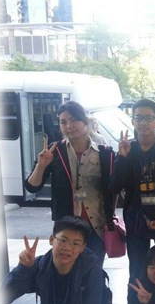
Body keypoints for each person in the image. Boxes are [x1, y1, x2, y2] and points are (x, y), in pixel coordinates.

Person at [25, 101, 116, 264]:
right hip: (65, 229)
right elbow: (32, 186)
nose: (69, 126)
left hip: (96, 227)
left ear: (85, 121)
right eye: (63, 122)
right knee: (65, 270)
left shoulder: (104, 153)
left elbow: (115, 187)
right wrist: (41, 166)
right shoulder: (54, 151)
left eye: (74, 120)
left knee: (93, 271)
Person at [110, 98, 155, 286]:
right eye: (139, 118)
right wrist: (122, 158)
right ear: (133, 121)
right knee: (137, 269)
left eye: (148, 118)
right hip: (136, 218)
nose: (143, 122)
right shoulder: (128, 149)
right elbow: (115, 186)